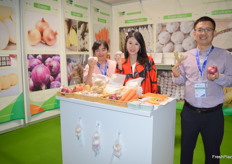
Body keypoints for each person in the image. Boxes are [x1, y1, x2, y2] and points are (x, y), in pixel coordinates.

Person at [172, 16, 232, 164]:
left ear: (214, 32)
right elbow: (181, 82)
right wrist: (176, 75)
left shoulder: (225, 55)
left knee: (213, 153)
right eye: (200, 29)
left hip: (213, 115)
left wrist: (218, 77)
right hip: (189, 113)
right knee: (186, 151)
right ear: (194, 33)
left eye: (207, 29)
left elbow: (230, 80)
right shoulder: (186, 56)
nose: (203, 33)